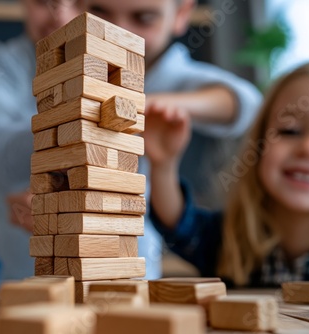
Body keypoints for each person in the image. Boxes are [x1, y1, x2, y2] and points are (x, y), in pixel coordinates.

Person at [87, 0, 262, 277]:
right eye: (99, 13)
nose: (119, 31)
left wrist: (146, 104)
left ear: (181, 15)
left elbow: (247, 104)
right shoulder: (59, 67)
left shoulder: (173, 76)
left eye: (143, 18)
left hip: (133, 265)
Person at [148, 62, 309, 287]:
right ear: (259, 146)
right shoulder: (231, 239)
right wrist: (163, 164)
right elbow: (177, 223)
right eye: (290, 130)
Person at [0, 0, 91, 281]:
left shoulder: (129, 60)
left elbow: (211, 98)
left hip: (123, 267)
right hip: (20, 272)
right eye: (45, 3)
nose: (62, 16)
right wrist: (84, 118)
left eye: (81, 4)